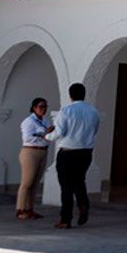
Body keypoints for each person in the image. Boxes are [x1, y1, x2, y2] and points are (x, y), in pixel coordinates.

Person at [46, 83, 101, 229]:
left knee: (66, 187)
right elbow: (95, 130)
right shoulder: (93, 111)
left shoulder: (66, 111)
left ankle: (66, 219)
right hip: (85, 152)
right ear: (84, 94)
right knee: (79, 181)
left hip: (68, 153)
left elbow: (60, 132)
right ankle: (83, 205)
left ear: (70, 95)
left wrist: (47, 136)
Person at [16, 97, 53, 220]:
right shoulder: (29, 121)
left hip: (43, 151)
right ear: (34, 108)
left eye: (45, 107)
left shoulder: (45, 120)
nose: (44, 109)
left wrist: (47, 133)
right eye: (41, 107)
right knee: (27, 182)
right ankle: (21, 209)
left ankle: (30, 208)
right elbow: (27, 138)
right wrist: (44, 133)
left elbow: (50, 135)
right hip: (30, 151)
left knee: (35, 183)